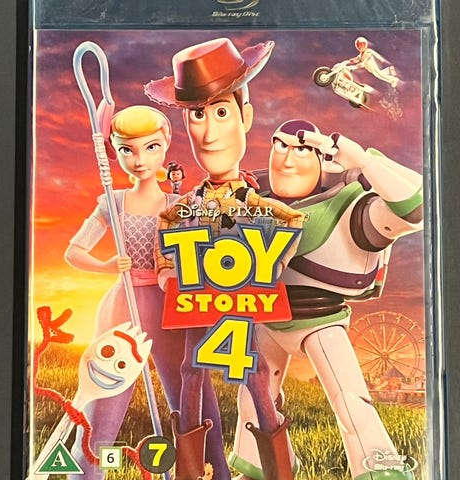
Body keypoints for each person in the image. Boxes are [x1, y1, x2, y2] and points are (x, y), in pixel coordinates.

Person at [145, 38, 305, 480]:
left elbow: (291, 221)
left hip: (239, 301)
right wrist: (166, 272)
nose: (210, 132)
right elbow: (166, 226)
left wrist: (269, 265)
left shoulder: (255, 201)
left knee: (254, 373)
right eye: (197, 115)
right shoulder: (185, 205)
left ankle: (278, 471)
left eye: (220, 112)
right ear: (186, 125)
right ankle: (189, 471)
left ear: (245, 117)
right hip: (197, 301)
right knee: (191, 369)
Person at [229, 119, 423, 480]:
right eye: (280, 145)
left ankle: (379, 471)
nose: (287, 159)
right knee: (254, 399)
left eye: (302, 149)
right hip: (265, 316)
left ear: (323, 159)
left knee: (349, 401)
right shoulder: (251, 199)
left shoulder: (348, 207)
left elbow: (416, 209)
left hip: (320, 320)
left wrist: (365, 162)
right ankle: (263, 468)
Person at [64, 105, 226, 479]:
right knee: (104, 403)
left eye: (150, 147)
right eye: (127, 150)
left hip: (170, 307)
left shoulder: (178, 205)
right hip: (122, 308)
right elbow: (74, 252)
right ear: (115, 152)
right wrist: (107, 265)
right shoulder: (113, 201)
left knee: (193, 397)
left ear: (165, 144)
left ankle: (206, 472)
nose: (139, 160)